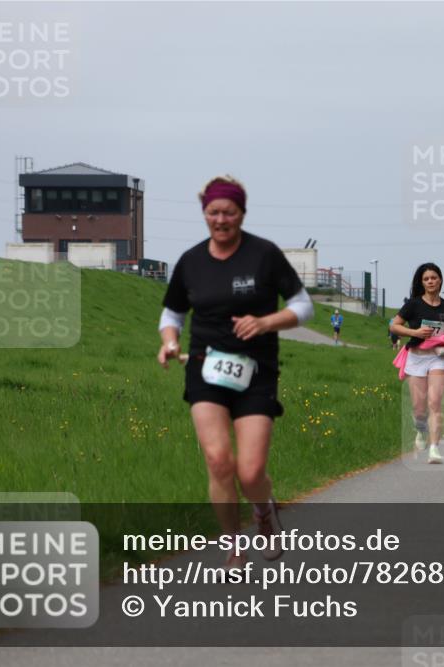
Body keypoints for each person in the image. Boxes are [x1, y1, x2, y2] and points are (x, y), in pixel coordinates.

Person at [157, 175, 314, 567]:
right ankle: (233, 544)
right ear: (204, 213)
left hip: (256, 370)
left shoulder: (264, 255)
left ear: (242, 213)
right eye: (213, 212)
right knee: (217, 460)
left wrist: (265, 323)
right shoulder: (191, 261)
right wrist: (170, 340)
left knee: (250, 471)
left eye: (229, 212)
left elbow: (303, 305)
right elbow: (172, 311)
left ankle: (263, 510)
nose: (221, 220)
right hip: (204, 368)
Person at [390, 263, 444, 464]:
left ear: (440, 280)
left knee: (434, 403)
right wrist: (415, 333)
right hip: (416, 358)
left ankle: (434, 449)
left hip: (439, 358)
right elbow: (394, 326)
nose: (430, 281)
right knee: (419, 408)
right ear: (422, 283)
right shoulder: (413, 304)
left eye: (434, 277)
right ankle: (420, 431)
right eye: (426, 279)